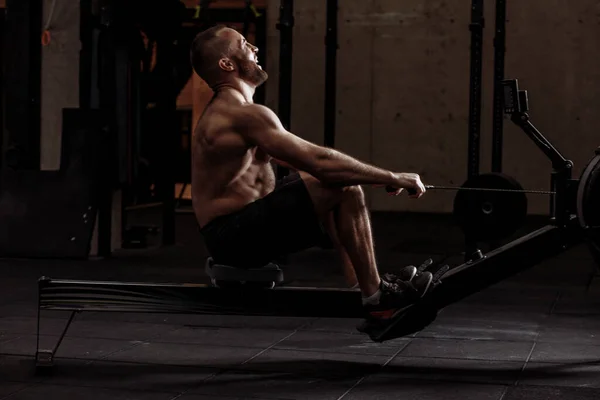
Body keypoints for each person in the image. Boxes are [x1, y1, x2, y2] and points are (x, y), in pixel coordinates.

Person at [189, 25, 434, 328]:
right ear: (227, 64)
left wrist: (351, 176)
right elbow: (320, 161)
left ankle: (365, 285)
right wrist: (393, 176)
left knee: (331, 183)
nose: (254, 48)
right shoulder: (242, 115)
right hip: (233, 236)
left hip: (233, 232)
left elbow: (304, 164)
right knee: (343, 188)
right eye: (243, 44)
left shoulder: (232, 113)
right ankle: (377, 298)